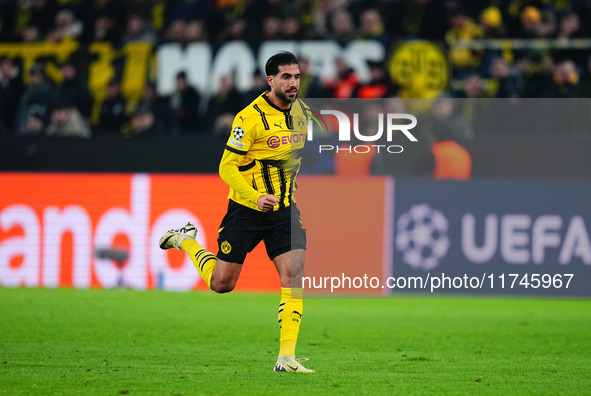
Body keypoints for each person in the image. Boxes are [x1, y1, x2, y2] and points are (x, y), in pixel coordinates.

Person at [159, 51, 313, 373]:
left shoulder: (303, 114)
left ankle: (286, 358)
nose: (293, 83)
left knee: (293, 275)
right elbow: (226, 168)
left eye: (297, 76)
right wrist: (256, 197)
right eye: (286, 77)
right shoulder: (250, 117)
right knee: (222, 284)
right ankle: (185, 240)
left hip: (283, 210)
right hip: (247, 209)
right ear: (270, 80)